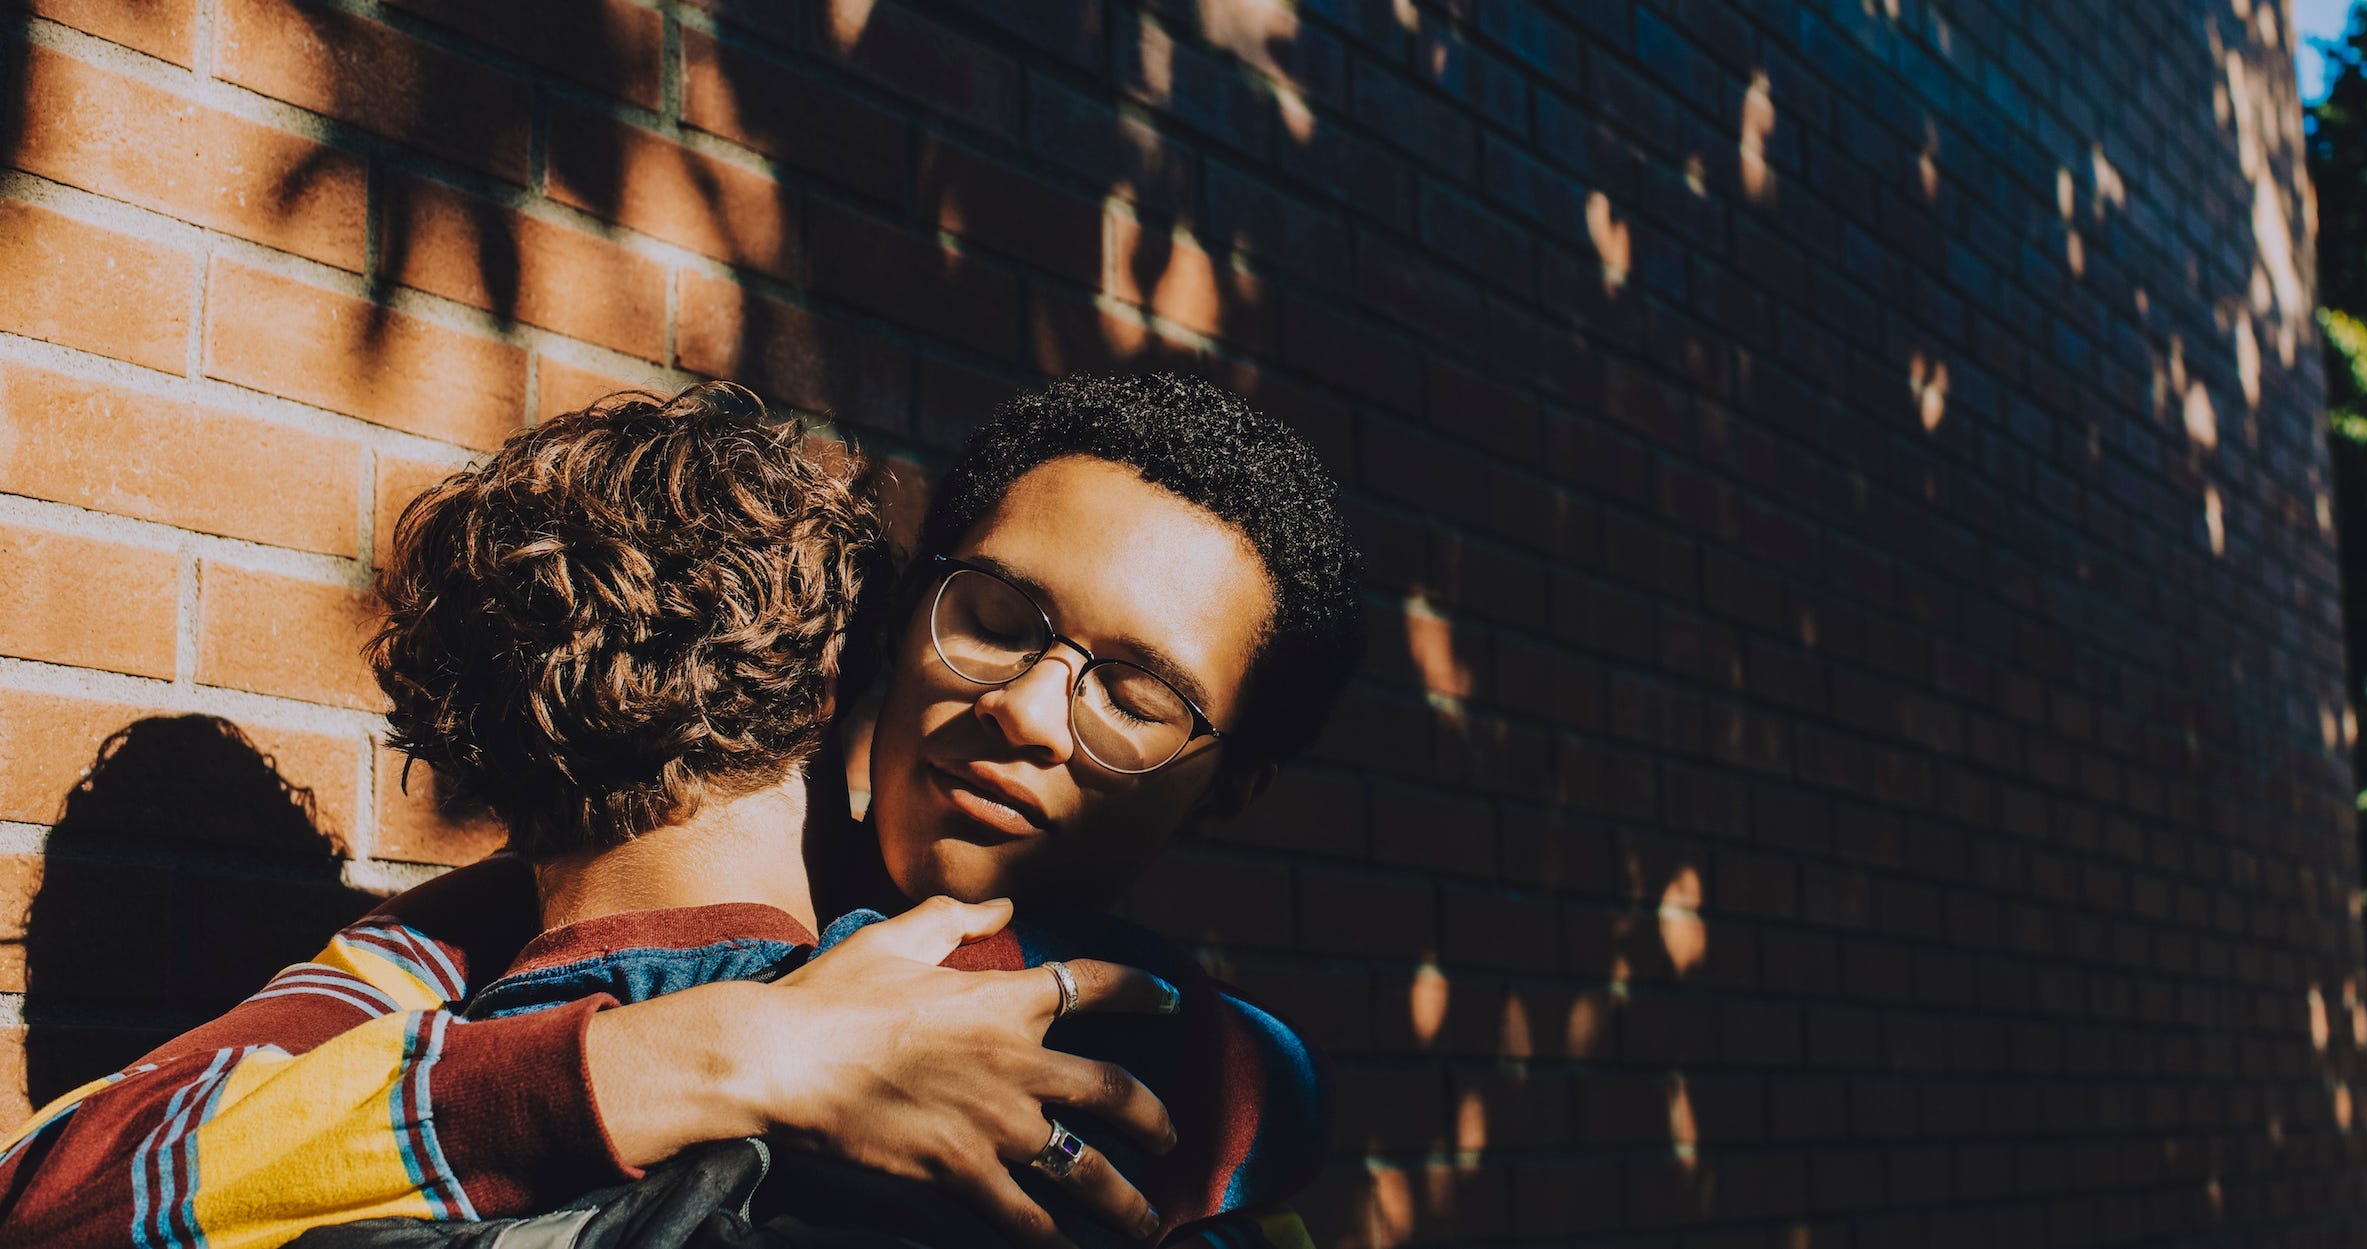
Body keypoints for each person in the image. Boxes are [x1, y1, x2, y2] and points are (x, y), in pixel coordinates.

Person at [0, 373, 1366, 1249]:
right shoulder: (464, 944)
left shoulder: (1192, 1069)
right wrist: (718, 1049)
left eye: (1132, 692)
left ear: (1229, 777)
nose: (1023, 708)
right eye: (999, 620)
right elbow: (61, 1190)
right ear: (893, 627)